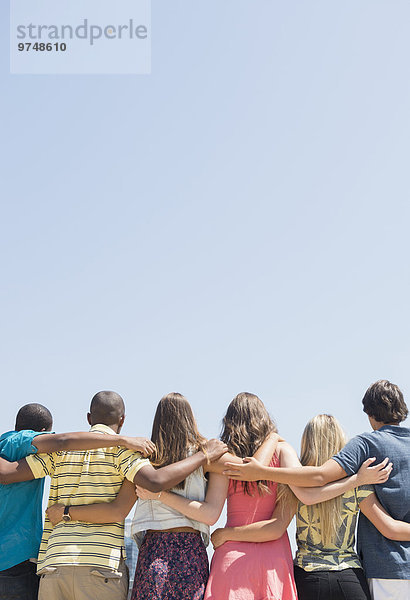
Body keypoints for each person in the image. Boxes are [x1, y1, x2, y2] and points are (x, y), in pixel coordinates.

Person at [47, 392, 279, 600]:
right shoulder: (207, 454)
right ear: (191, 419)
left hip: (152, 549)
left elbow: (119, 509)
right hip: (190, 550)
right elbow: (251, 470)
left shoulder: (143, 457)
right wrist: (271, 437)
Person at [1, 391, 227, 600]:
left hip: (55, 566)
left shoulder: (58, 453)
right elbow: (146, 489)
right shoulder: (126, 453)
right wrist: (203, 456)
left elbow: (11, 473)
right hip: (101, 568)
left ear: (89, 418)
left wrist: (66, 512)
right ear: (122, 420)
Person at [224, 380, 410, 600]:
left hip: (309, 576)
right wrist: (354, 481)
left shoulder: (296, 480)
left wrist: (262, 471)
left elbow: (310, 492)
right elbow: (387, 526)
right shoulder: (360, 481)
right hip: (350, 576)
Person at [138, 392, 298, 600]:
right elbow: (251, 472)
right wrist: (273, 437)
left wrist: (226, 534)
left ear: (229, 423)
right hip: (272, 560)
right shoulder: (280, 452)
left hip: (227, 556)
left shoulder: (220, 460)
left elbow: (213, 510)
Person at [0, 401, 155, 600]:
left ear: (89, 418)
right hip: (20, 558)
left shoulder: (44, 454)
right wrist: (122, 440)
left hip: (53, 563)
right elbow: (63, 441)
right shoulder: (23, 440)